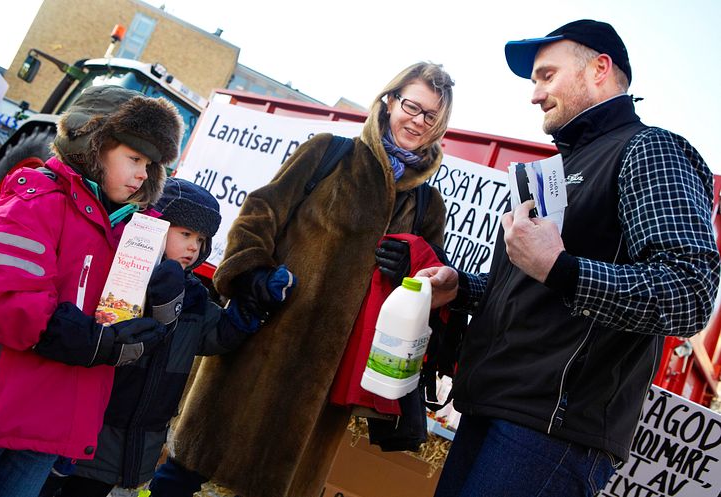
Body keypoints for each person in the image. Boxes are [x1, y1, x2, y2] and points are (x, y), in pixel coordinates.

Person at [417, 20, 721, 497]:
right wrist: (464, 286)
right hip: (494, 409)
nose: (534, 95)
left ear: (600, 68)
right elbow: (536, 285)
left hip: (549, 434)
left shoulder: (650, 149)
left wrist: (563, 268)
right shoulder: (560, 168)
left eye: (546, 75)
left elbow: (689, 292)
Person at [149, 61, 455, 497]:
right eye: (412, 106)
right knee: (185, 472)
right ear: (389, 102)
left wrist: (413, 265)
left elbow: (429, 285)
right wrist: (253, 276)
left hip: (328, 379)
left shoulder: (427, 204)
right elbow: (260, 213)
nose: (418, 121)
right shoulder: (330, 153)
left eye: (431, 117)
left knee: (278, 485)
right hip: (263, 342)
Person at [0, 85, 183, 497]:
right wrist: (91, 341)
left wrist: (162, 302)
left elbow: (132, 324)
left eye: (151, 165)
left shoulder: (132, 232)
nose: (143, 173)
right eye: (134, 158)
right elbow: (12, 304)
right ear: (93, 144)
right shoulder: (35, 202)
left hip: (56, 422)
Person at [36, 177, 293, 497]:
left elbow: (214, 336)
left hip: (139, 435)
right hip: (92, 427)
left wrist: (253, 303)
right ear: (151, 226)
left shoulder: (194, 296)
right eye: (185, 234)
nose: (193, 247)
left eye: (200, 240)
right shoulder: (119, 278)